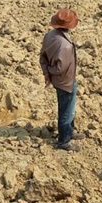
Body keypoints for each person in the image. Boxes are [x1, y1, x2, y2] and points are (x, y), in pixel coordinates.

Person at [40, 8, 85, 152]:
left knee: (67, 108)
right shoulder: (64, 45)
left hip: (59, 81)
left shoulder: (50, 35)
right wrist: (51, 72)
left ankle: (69, 132)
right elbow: (60, 68)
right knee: (66, 111)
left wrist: (47, 72)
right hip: (65, 82)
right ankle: (64, 141)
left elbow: (42, 56)